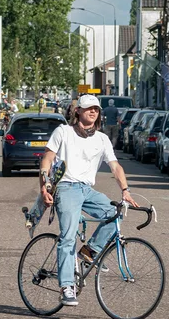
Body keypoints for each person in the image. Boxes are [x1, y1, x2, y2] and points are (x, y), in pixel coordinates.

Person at [39, 94, 138, 307]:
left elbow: (115, 166)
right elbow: (47, 158)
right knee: (67, 237)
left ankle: (89, 252)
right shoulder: (63, 132)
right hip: (66, 188)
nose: (93, 112)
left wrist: (125, 190)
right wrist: (44, 185)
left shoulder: (101, 139)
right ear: (78, 111)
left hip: (87, 190)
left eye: (96, 109)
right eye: (88, 108)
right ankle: (67, 286)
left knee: (115, 213)